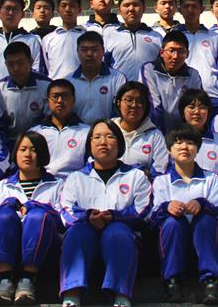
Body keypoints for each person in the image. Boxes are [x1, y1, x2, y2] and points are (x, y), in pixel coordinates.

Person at [58, 120, 152, 307]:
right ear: (89, 144)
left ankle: (121, 296)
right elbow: (66, 209)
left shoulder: (135, 176)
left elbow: (144, 210)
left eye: (110, 137)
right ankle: (71, 295)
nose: (103, 142)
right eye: (97, 137)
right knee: (77, 232)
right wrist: (87, 217)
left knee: (117, 232)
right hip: (86, 234)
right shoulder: (76, 177)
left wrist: (115, 217)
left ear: (119, 143)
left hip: (123, 237)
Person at [151, 124, 218, 304]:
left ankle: (211, 281)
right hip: (176, 240)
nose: (184, 147)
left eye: (190, 143)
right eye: (178, 143)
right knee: (171, 223)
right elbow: (153, 216)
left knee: (206, 220)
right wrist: (167, 207)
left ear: (197, 149)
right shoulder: (161, 181)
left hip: (204, 240)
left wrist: (201, 204)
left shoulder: (211, 179)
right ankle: (173, 282)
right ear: (169, 150)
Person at [0, 131, 63, 305]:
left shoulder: (58, 185)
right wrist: (7, 206)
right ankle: (4, 281)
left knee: (37, 216)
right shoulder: (2, 186)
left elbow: (63, 221)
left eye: (33, 150)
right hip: (8, 249)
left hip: (45, 250)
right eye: (23, 149)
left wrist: (37, 207)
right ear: (16, 153)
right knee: (3, 215)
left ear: (42, 154)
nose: (27, 154)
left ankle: (28, 280)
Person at [141, 30, 202, 133]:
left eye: (181, 51)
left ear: (187, 54)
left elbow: (196, 106)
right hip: (155, 131)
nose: (175, 56)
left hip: (183, 133)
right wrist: (162, 136)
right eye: (171, 50)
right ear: (161, 52)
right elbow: (154, 106)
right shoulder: (149, 70)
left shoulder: (193, 75)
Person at [0, 42, 51, 145]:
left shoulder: (46, 86)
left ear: (31, 62)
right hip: (9, 142)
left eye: (20, 63)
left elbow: (49, 122)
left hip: (38, 142)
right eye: (11, 64)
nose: (16, 69)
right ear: (6, 65)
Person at [30, 79, 90, 178]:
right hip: (43, 183)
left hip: (76, 183)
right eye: (55, 96)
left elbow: (92, 164)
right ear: (48, 100)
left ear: (73, 100)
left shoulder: (87, 132)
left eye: (65, 96)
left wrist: (76, 179)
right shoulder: (35, 132)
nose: (60, 101)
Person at [66, 31, 127, 125]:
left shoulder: (117, 78)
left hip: (108, 132)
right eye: (84, 50)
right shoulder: (68, 81)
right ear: (77, 51)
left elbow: (120, 111)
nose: (89, 54)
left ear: (103, 51)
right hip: (76, 132)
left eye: (94, 49)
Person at [103, 0, 163, 81]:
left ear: (144, 8)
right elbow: (103, 66)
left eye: (135, 5)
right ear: (119, 10)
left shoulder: (157, 37)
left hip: (149, 88)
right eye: (126, 5)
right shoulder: (110, 36)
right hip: (119, 88)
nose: (131, 9)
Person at [111, 82, 168, 175]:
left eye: (140, 101)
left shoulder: (155, 135)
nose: (134, 105)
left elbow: (160, 170)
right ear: (118, 102)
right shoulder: (109, 129)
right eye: (129, 100)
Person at [178, 89, 218, 178]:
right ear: (183, 111)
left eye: (202, 107)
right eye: (191, 107)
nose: (196, 112)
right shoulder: (175, 140)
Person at [42, 0, 86, 79]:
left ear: (79, 10)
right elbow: (45, 67)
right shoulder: (48, 39)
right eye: (63, 6)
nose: (68, 9)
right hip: (55, 84)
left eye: (72, 6)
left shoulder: (87, 36)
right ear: (58, 10)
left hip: (82, 84)